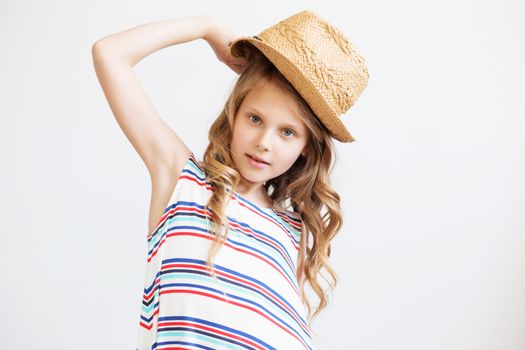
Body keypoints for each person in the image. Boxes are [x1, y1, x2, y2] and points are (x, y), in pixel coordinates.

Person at [92, 9, 369, 350]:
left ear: (306, 150)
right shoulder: (183, 181)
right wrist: (206, 28)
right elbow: (109, 54)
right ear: (233, 114)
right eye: (254, 118)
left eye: (287, 132)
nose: (263, 142)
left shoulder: (292, 232)